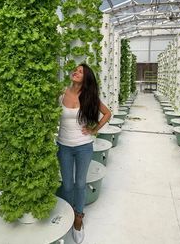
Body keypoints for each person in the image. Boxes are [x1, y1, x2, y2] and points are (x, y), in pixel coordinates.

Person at [57, 63, 111, 244]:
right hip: (63, 145)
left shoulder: (89, 97)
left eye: (81, 72)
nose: (76, 72)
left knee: (80, 183)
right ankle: (67, 214)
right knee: (67, 185)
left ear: (86, 78)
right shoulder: (62, 92)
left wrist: (94, 129)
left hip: (83, 146)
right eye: (76, 70)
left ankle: (78, 218)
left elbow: (107, 113)